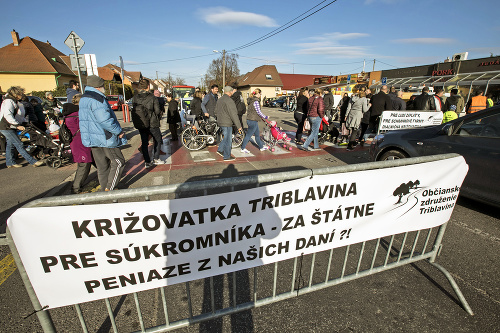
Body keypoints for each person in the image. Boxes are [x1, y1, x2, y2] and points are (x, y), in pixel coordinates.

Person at [79, 75, 127, 191]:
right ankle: (110, 188)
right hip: (105, 137)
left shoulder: (84, 98)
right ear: (98, 86)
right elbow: (105, 120)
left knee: (102, 166)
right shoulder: (98, 99)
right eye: (103, 85)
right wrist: (118, 131)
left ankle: (104, 188)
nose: (104, 88)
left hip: (92, 138)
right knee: (118, 161)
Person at [0, 86, 44, 168]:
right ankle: (33, 161)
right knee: (19, 144)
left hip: (9, 126)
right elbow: (8, 115)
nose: (22, 95)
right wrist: (17, 125)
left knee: (10, 145)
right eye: (20, 93)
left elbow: (19, 115)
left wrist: (23, 123)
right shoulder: (8, 101)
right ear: (16, 94)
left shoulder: (14, 101)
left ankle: (10, 163)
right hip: (6, 126)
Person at [62, 94, 94, 194]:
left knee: (89, 164)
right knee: (83, 165)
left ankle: (108, 181)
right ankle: (76, 189)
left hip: (77, 143)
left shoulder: (69, 114)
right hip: (81, 143)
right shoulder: (78, 114)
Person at [131, 79, 164, 167]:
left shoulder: (135, 97)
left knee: (144, 142)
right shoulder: (152, 97)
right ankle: (156, 158)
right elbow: (157, 111)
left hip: (141, 123)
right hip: (153, 123)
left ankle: (147, 162)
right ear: (148, 86)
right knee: (157, 140)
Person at [216, 86, 242, 161]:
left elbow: (215, 111)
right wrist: (239, 126)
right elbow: (233, 114)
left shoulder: (219, 100)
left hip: (220, 122)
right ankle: (227, 156)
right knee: (228, 140)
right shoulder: (229, 101)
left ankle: (220, 150)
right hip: (227, 123)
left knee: (226, 137)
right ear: (230, 92)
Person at [240, 88, 269, 153]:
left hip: (252, 119)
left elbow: (255, 112)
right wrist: (265, 117)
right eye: (260, 94)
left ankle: (261, 147)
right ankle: (242, 148)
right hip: (252, 120)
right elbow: (258, 112)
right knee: (248, 135)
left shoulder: (251, 100)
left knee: (257, 135)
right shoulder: (255, 101)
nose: (260, 95)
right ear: (257, 94)